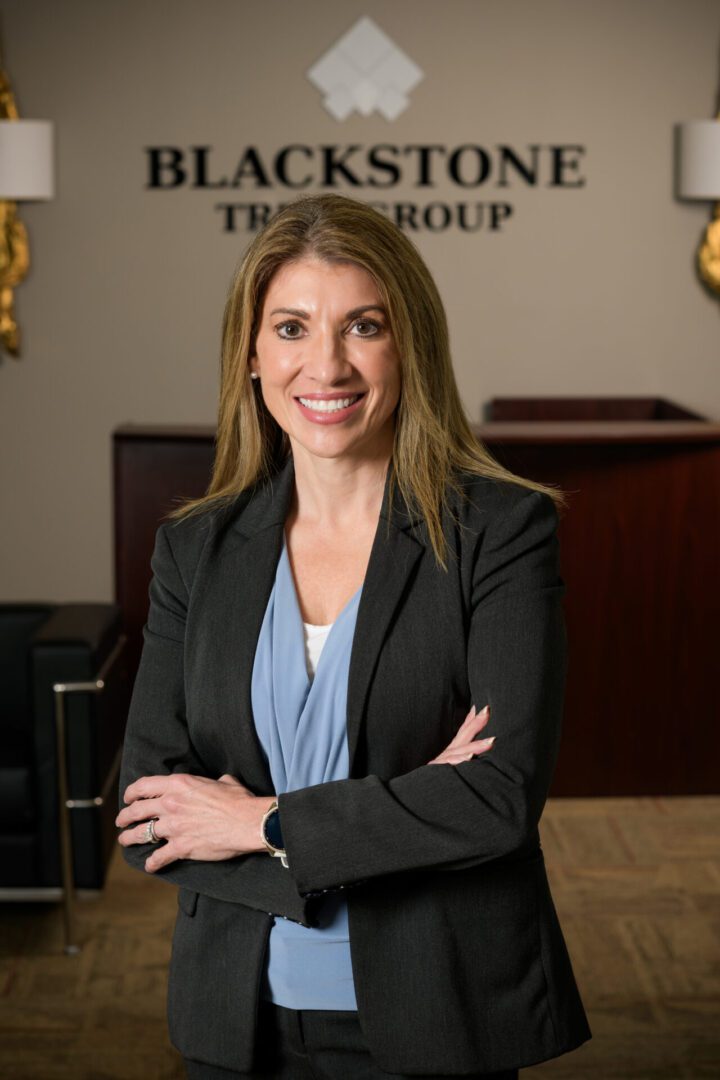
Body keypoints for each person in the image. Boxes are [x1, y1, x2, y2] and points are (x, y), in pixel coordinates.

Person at [116, 192, 591, 1079]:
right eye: (291, 329)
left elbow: (496, 799)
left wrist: (254, 821)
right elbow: (151, 813)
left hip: (437, 1005)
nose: (325, 365)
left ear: (409, 346)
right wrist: (404, 811)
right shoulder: (195, 549)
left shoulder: (500, 530)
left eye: (361, 326)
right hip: (236, 1016)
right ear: (251, 358)